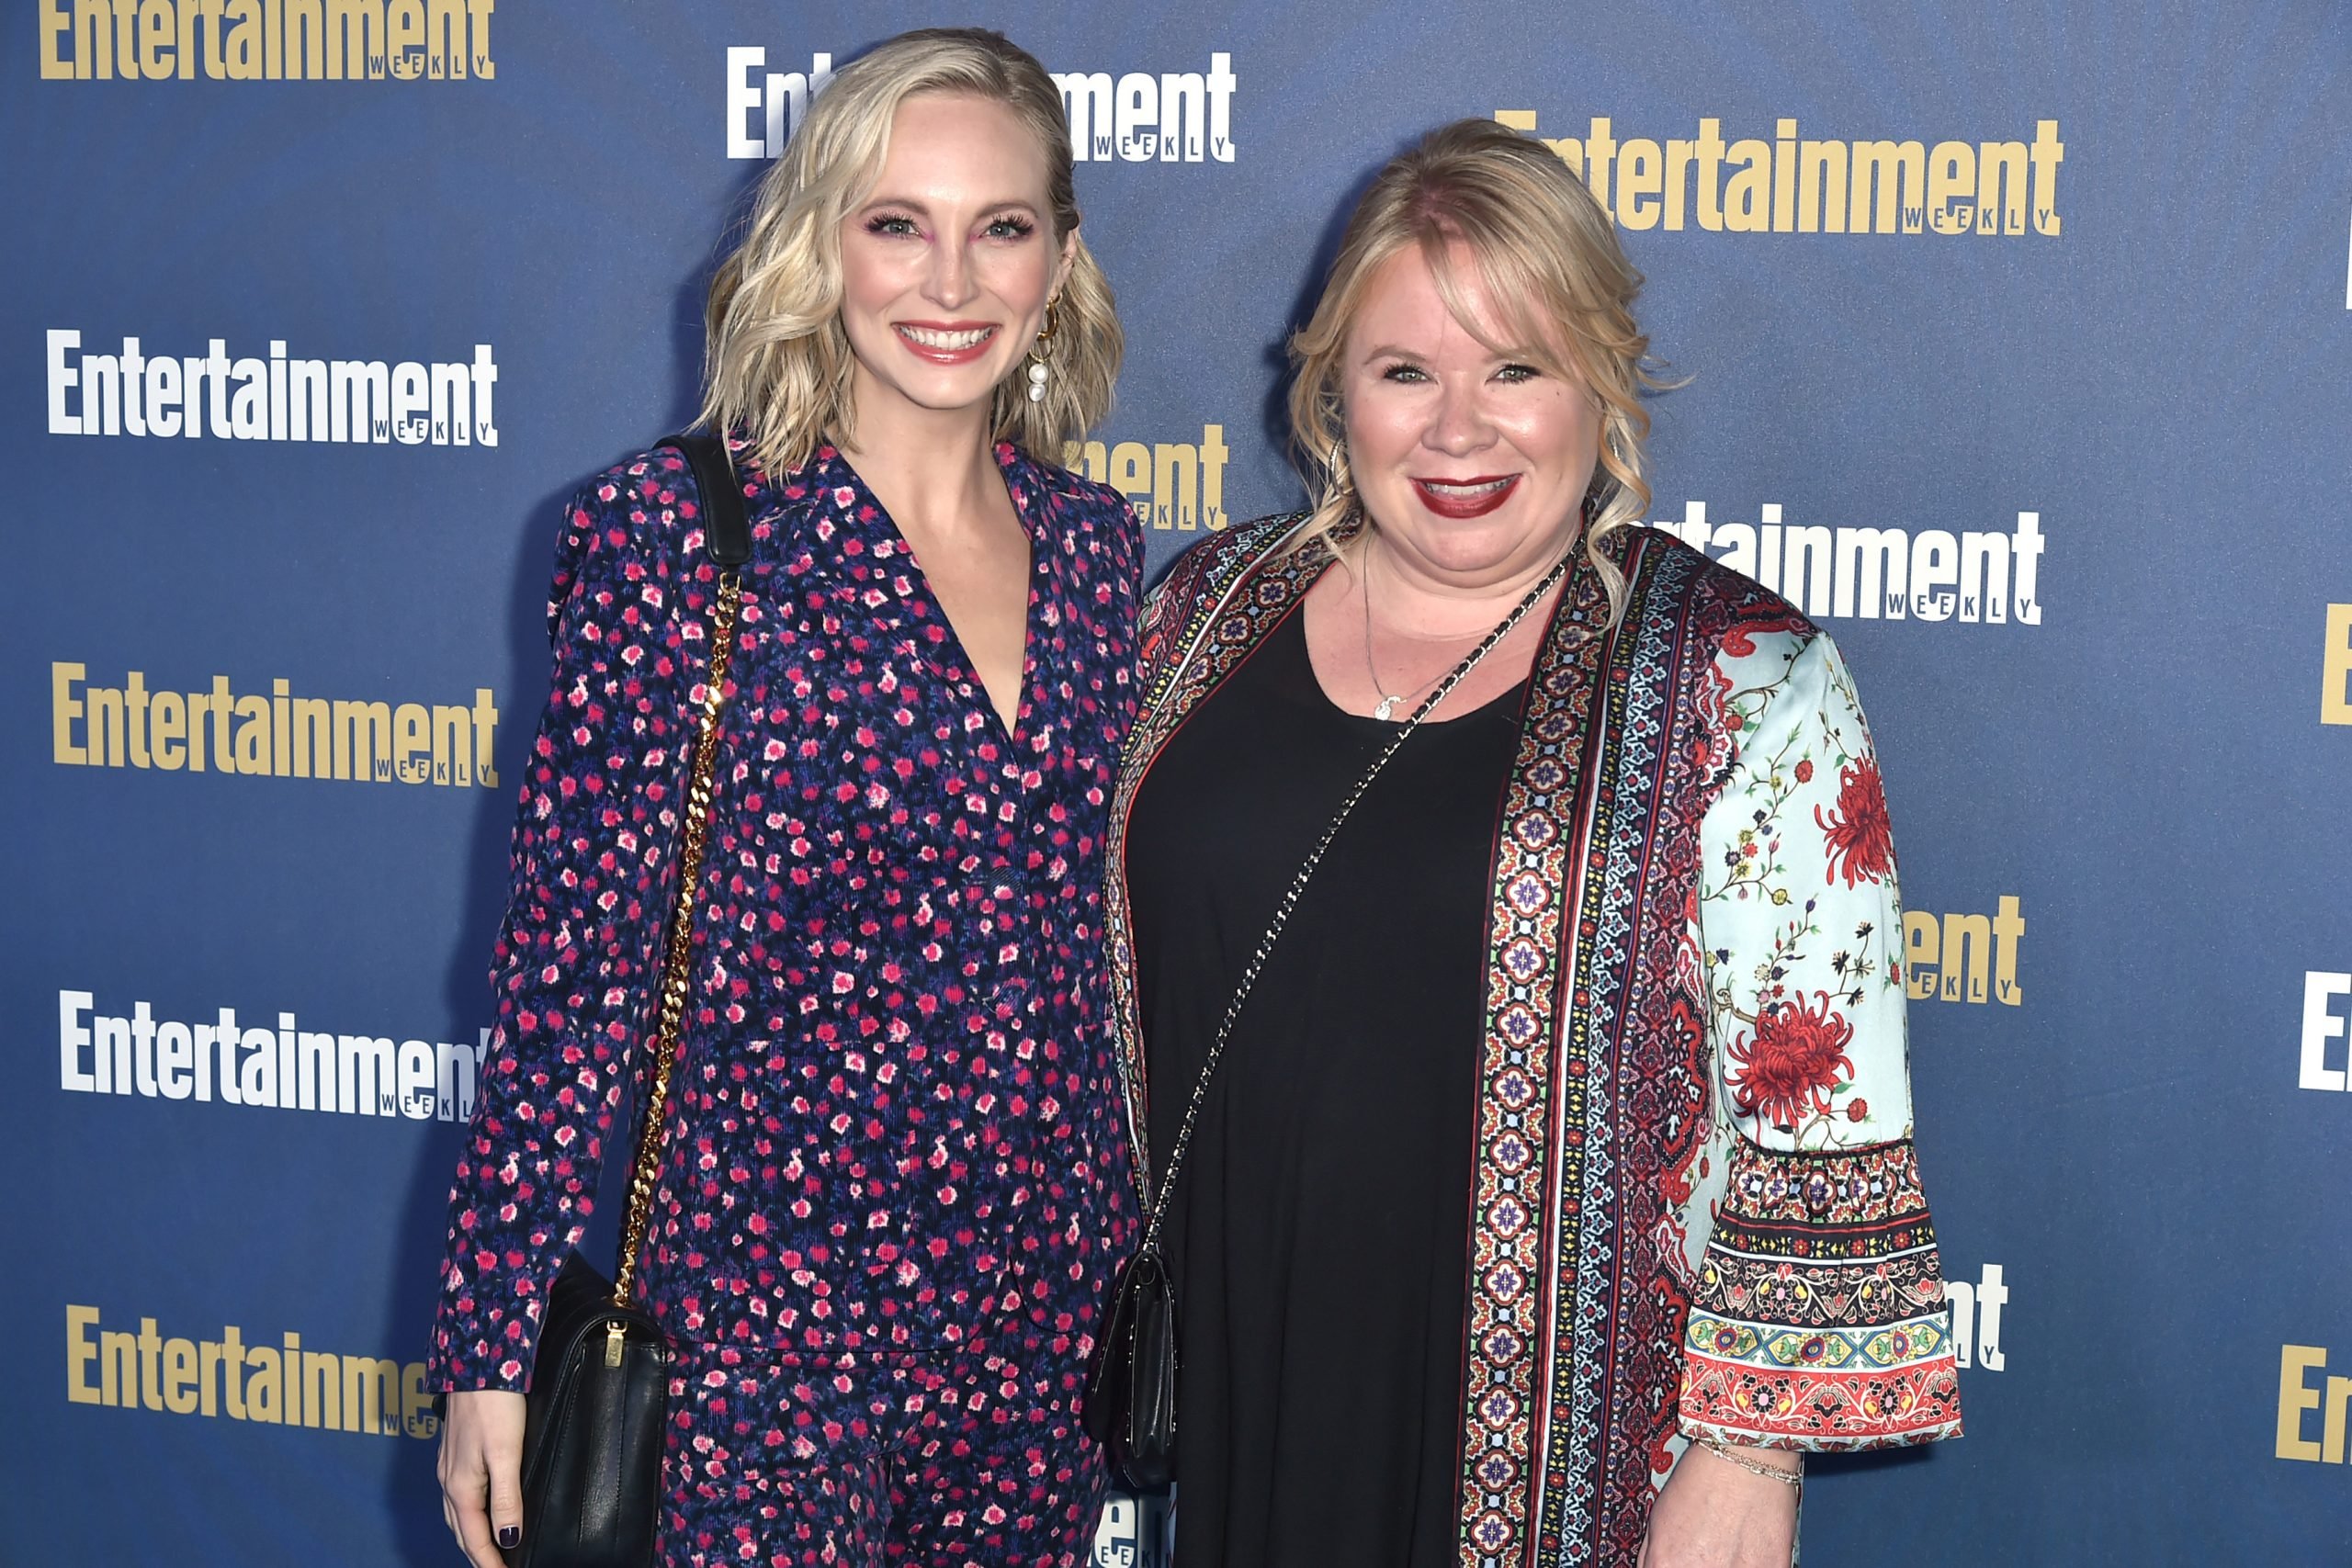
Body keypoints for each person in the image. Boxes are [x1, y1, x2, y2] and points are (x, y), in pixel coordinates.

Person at [1104, 118, 1962, 1568]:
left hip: (1570, 1464)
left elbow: (1819, 1106)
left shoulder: (1740, 676)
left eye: (1517, 368)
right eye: (1404, 372)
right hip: (1222, 1410)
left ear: (1600, 384)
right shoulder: (1204, 612)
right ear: (1333, 392)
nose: (1459, 429)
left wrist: (1751, 1457)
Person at [428, 28, 1141, 1568]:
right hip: (763, 1333)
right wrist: (491, 1343)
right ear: (823, 243)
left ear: (1059, 257)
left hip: (1034, 1334)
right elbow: (569, 971)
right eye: (898, 224)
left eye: (999, 228)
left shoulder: (1094, 550)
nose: (949, 283)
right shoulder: (674, 540)